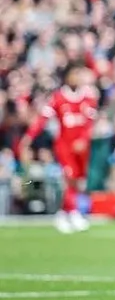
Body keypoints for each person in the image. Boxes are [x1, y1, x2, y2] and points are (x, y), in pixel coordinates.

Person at [20, 63, 98, 233]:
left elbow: (90, 124)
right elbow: (43, 119)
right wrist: (29, 137)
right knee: (68, 178)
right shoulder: (58, 97)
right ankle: (75, 212)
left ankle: (63, 214)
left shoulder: (89, 97)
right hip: (65, 146)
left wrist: (84, 139)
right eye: (74, 74)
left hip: (82, 148)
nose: (77, 78)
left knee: (78, 181)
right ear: (67, 76)